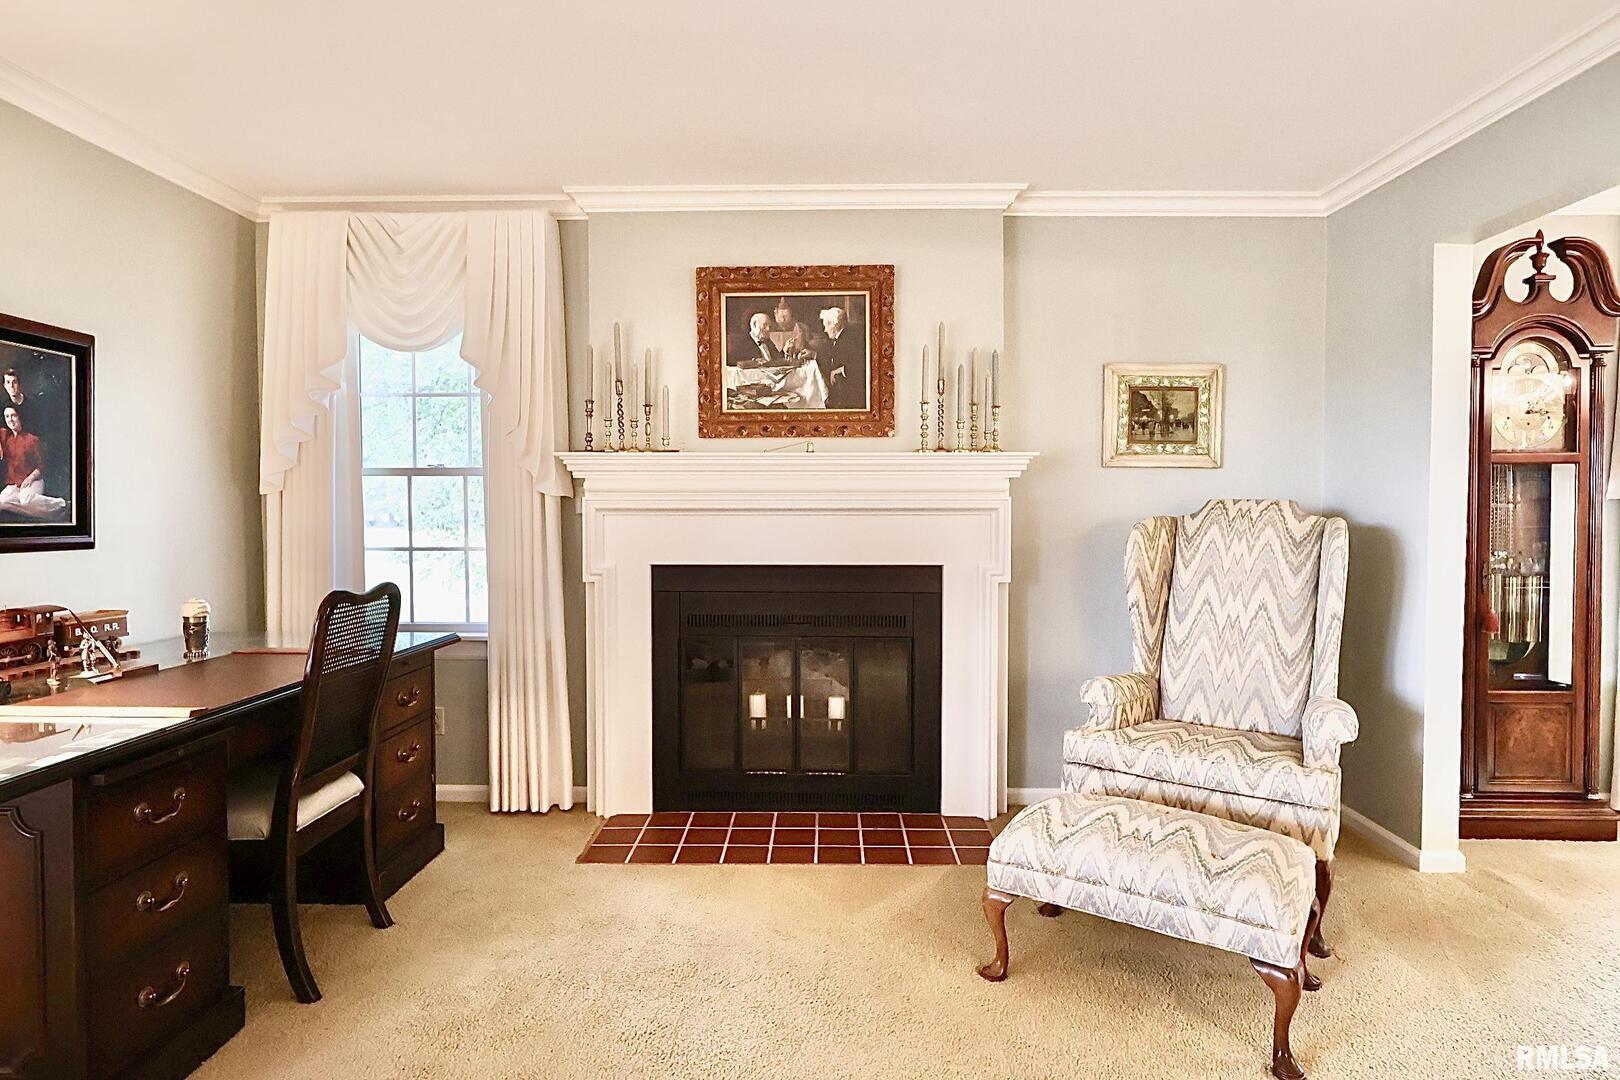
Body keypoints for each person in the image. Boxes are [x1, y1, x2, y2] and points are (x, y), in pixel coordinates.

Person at [0, 405, 66, 518]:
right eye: (7, 416)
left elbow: (41, 465)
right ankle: (45, 514)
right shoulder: (7, 438)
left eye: (13, 415)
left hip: (33, 480)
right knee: (2, 502)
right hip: (15, 484)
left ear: (20, 417)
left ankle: (60, 504)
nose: (10, 419)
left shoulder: (32, 439)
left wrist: (30, 478)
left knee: (25, 500)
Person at [811, 306, 867, 410]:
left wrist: (838, 371)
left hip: (852, 394)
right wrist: (814, 355)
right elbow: (831, 358)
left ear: (834, 325)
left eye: (826, 326)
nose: (825, 330)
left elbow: (859, 365)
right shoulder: (841, 338)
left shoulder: (848, 339)